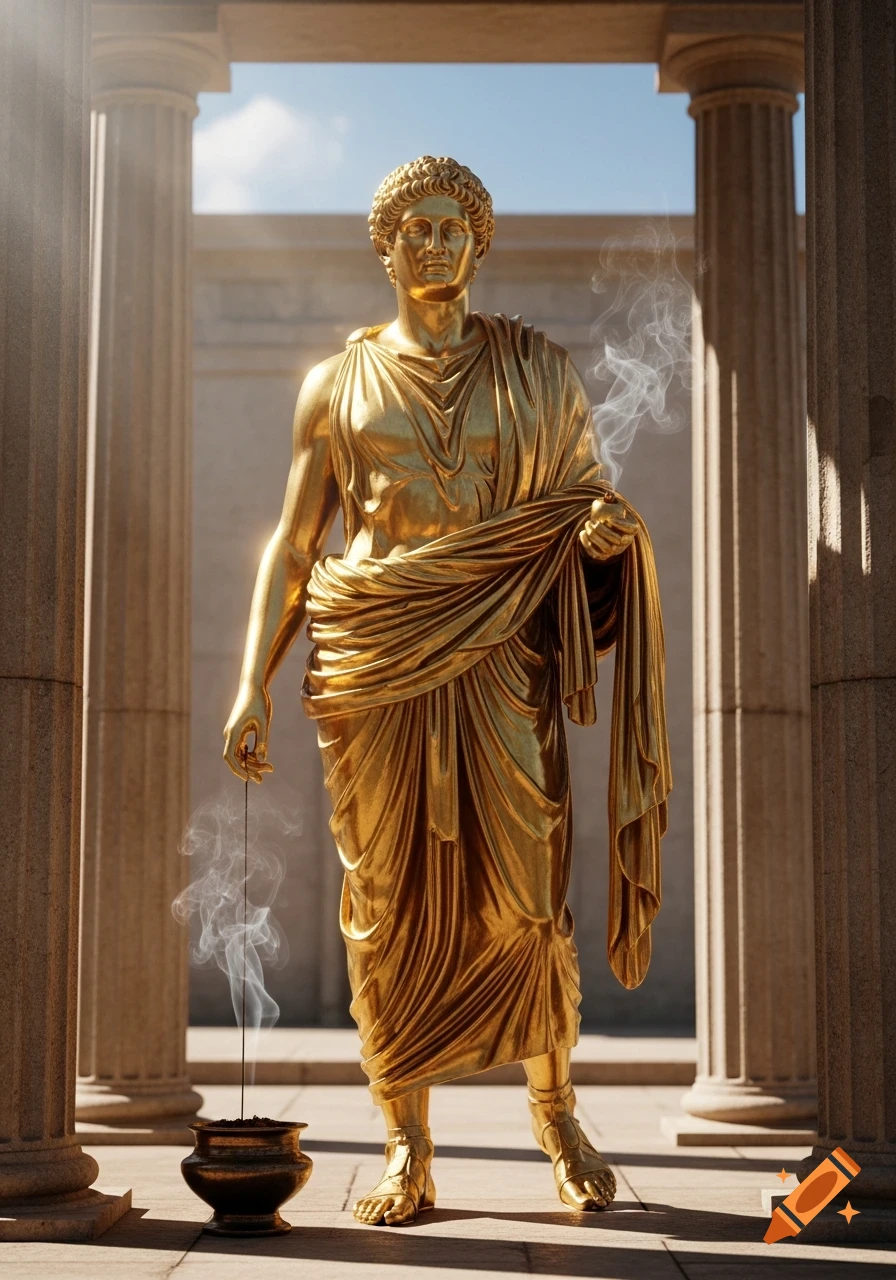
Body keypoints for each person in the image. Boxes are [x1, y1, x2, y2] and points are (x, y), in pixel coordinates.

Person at [224, 156, 670, 1226]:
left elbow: (576, 512)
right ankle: (404, 1141)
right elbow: (292, 543)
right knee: (382, 908)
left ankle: (556, 1113)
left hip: (499, 661)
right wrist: (252, 683)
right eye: (408, 228)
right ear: (382, 250)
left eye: (447, 224)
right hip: (372, 662)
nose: (428, 243)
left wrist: (605, 542)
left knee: (523, 899)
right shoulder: (334, 384)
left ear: (479, 242)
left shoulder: (537, 369)